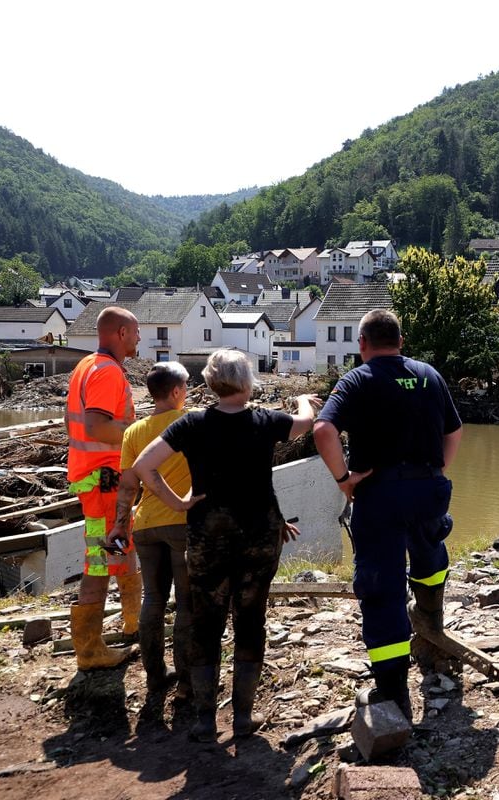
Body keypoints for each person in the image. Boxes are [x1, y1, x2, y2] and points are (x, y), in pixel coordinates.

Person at [129, 348, 320, 742]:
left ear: (210, 382)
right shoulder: (266, 421)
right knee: (251, 620)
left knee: (206, 623)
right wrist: (303, 400)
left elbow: (144, 466)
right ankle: (243, 719)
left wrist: (177, 503)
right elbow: (306, 423)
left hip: (207, 538)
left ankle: (204, 719)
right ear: (248, 383)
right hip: (259, 537)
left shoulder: (193, 424)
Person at [312, 309, 462, 721]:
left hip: (379, 493)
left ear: (362, 343)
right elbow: (454, 430)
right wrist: (437, 471)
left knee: (382, 587)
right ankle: (430, 620)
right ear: (400, 339)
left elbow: (323, 430)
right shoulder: (429, 375)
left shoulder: (358, 379)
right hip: (429, 488)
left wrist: (344, 478)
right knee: (429, 553)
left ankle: (395, 692)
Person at [108, 361, 194, 706]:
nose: (187, 393)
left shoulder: (134, 432)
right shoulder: (191, 423)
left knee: (153, 600)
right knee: (186, 603)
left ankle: (155, 677)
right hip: (183, 523)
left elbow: (128, 486)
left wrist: (119, 524)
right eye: (186, 387)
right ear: (175, 392)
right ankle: (187, 680)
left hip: (145, 525)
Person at [65, 306, 142, 671]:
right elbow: (96, 427)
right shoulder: (107, 372)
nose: (140, 338)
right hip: (103, 483)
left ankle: (133, 625)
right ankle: (91, 652)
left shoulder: (87, 365)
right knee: (99, 561)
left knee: (123, 546)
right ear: (122, 333)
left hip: (100, 480)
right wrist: (137, 436)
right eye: (136, 332)